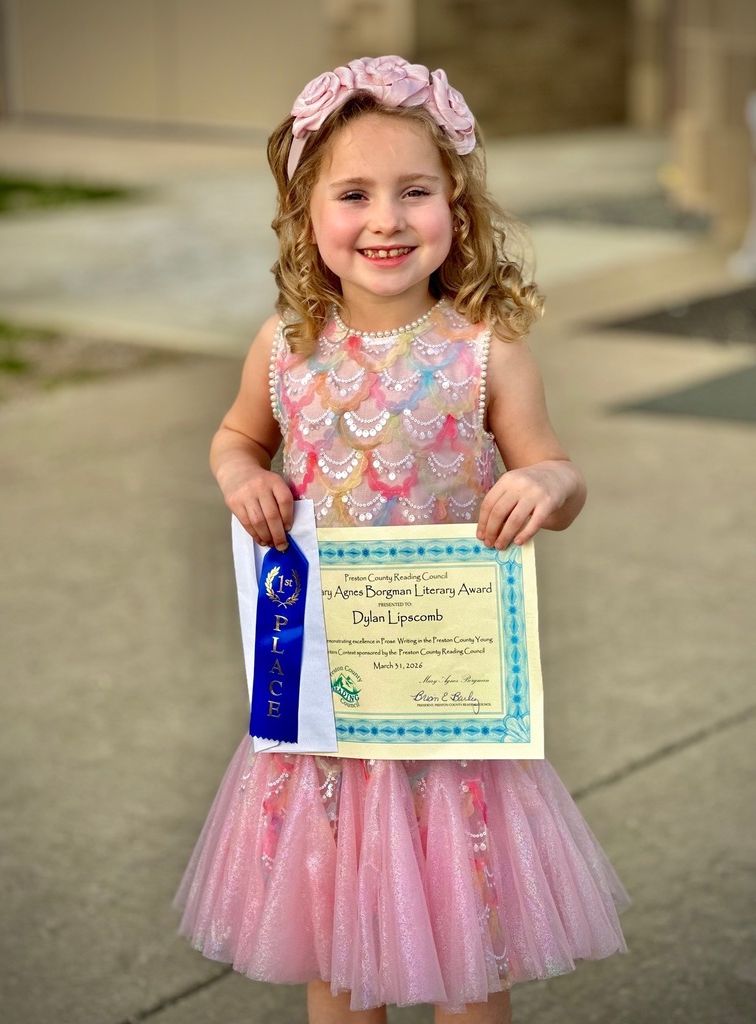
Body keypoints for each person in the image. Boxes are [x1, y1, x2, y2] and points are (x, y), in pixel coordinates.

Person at [175, 56, 628, 1024]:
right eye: (353, 193)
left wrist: (542, 482)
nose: (386, 218)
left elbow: (561, 470)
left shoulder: (485, 350)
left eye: (414, 190)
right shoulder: (286, 346)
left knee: (466, 948)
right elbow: (236, 436)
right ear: (308, 219)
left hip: (449, 709)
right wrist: (242, 476)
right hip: (329, 709)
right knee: (336, 945)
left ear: (455, 208)